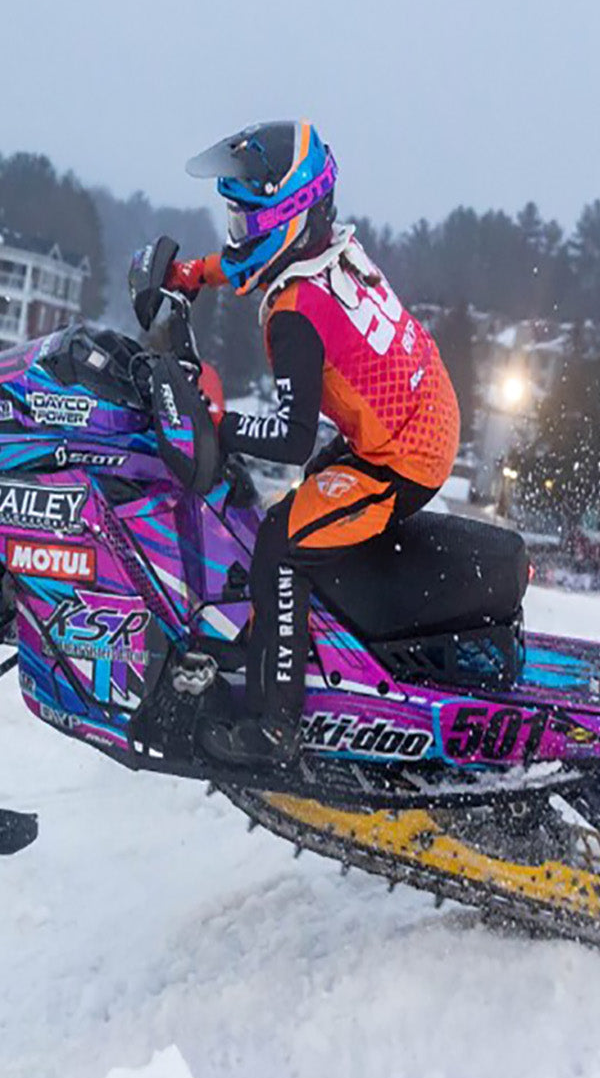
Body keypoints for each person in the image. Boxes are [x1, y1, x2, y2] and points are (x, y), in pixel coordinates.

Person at [162, 119, 460, 765]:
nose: (236, 236)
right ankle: (285, 642)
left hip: (405, 459)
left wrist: (216, 422)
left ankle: (277, 727)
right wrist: (193, 274)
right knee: (293, 517)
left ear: (288, 220)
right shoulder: (330, 249)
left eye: (245, 222)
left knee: (282, 544)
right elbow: (247, 261)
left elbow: (294, 440)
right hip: (411, 418)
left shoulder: (297, 315)